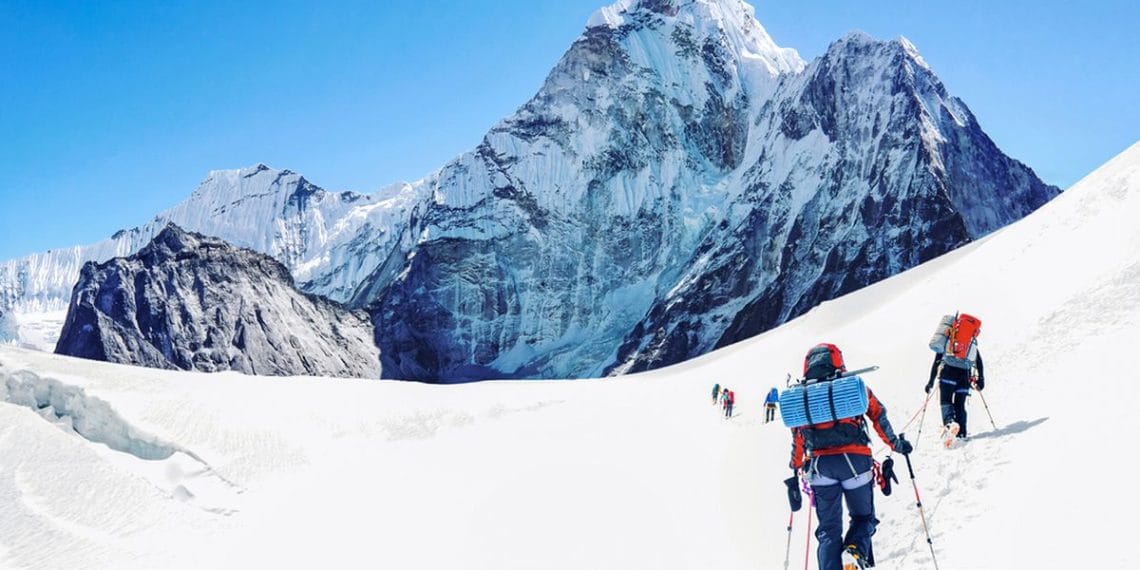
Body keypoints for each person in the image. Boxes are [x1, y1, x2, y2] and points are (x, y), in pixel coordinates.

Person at [788, 344, 912, 569]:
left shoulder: (802, 398)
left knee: (828, 530)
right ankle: (854, 550)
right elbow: (877, 414)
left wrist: (794, 466)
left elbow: (798, 438)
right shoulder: (852, 388)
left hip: (820, 467)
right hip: (855, 462)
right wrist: (895, 444)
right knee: (864, 518)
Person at [925, 350, 985, 440]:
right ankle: (961, 434)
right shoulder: (969, 339)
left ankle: (950, 424)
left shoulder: (947, 339)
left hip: (948, 375)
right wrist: (981, 379)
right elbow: (978, 360)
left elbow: (937, 360)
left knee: (946, 401)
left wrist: (931, 381)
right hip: (964, 377)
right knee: (960, 405)